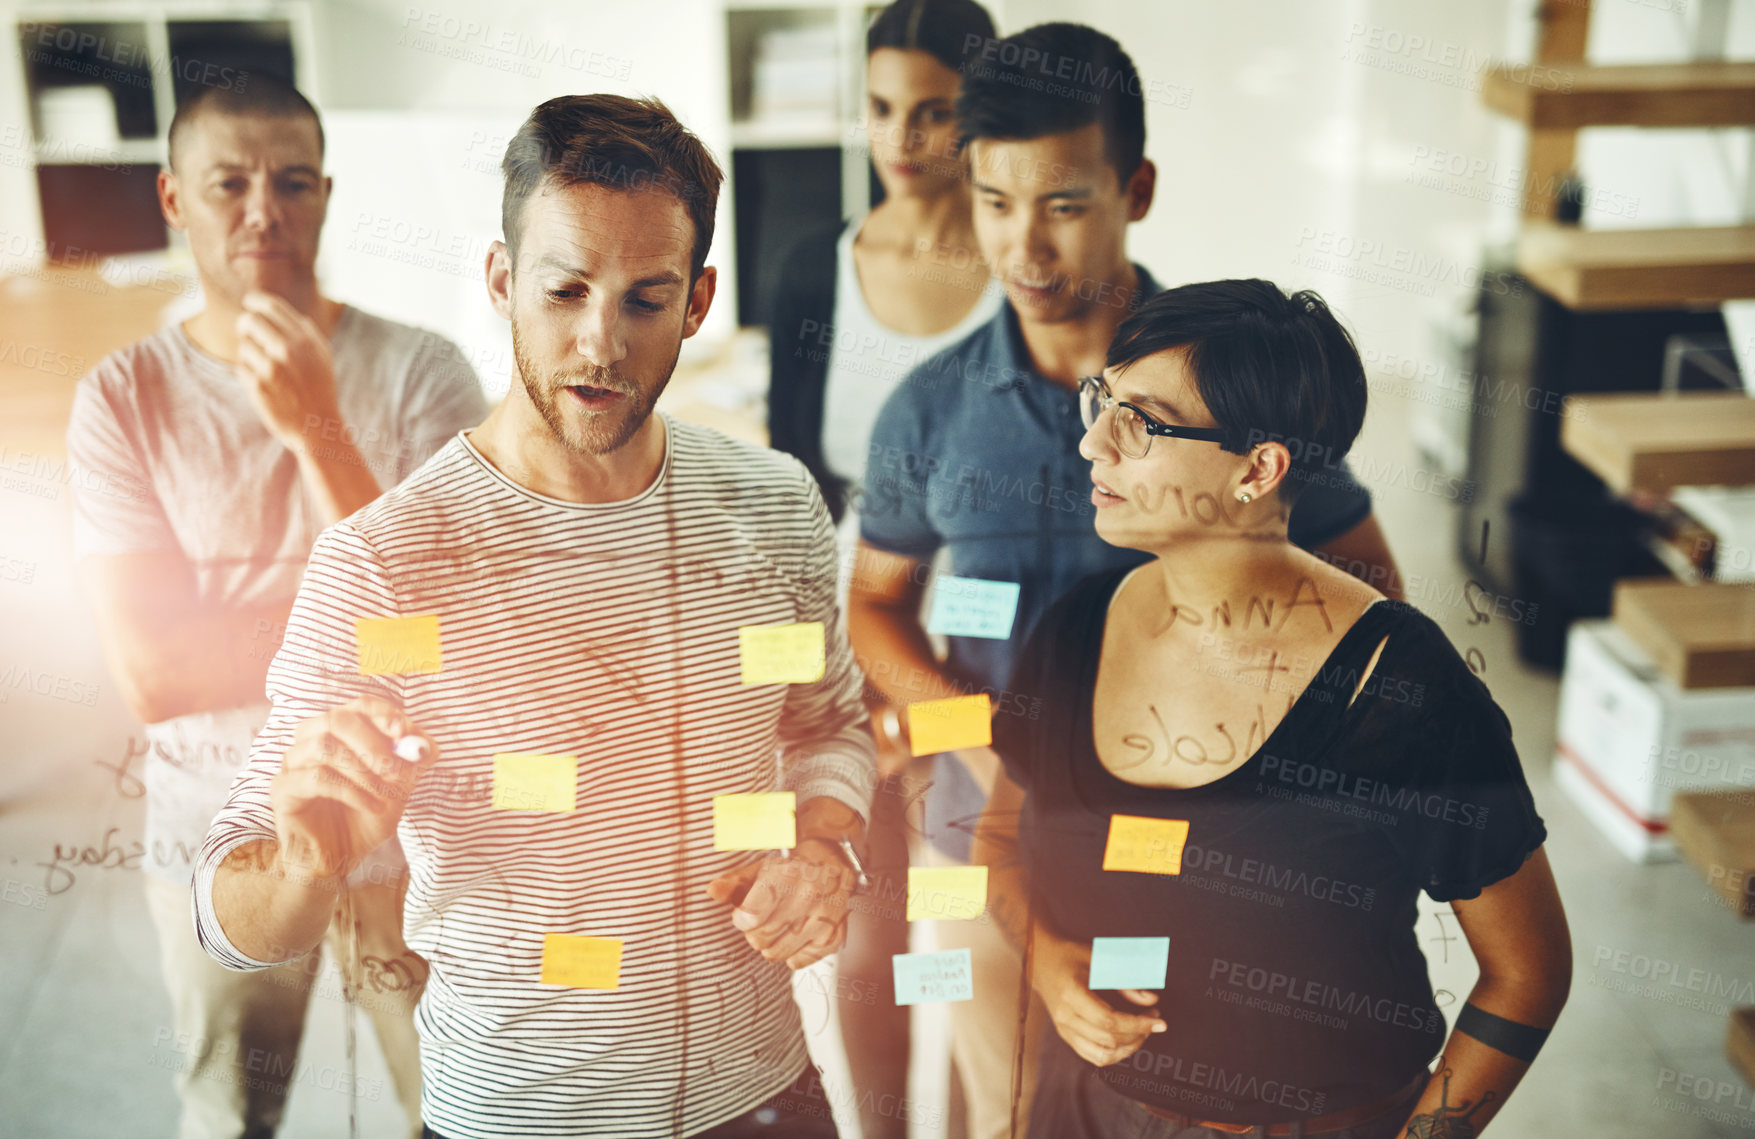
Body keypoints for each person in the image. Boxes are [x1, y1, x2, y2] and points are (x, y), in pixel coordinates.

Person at [189, 94, 878, 1139]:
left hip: (767, 1094)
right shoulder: (385, 562)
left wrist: (829, 843)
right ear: (503, 281)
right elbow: (226, 915)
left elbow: (828, 722)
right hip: (519, 1114)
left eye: (646, 299)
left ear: (698, 301)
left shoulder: (773, 505)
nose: (600, 342)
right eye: (564, 290)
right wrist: (302, 863)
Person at [850, 23, 1404, 1139]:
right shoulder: (928, 409)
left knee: (1175, 1095)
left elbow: (1371, 586)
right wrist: (975, 730)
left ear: (1135, 188)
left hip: (1189, 844)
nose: (1024, 248)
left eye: (1062, 204)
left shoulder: (1240, 378)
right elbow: (873, 604)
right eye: (996, 203)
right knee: (994, 1099)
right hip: (976, 834)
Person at [976, 279, 1571, 1139]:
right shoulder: (1075, 628)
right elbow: (996, 840)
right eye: (1101, 398)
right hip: (1086, 1111)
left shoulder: (1397, 685)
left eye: (1138, 420)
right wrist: (1046, 963)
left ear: (1258, 469)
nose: (1090, 442)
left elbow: (1528, 971)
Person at [68, 77, 487, 1139]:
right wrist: (357, 642)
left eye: (293, 182)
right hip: (218, 834)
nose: (264, 210)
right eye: (230, 183)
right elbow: (154, 672)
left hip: (410, 835)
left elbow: (450, 645)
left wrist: (319, 431)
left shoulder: (423, 371)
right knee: (225, 1111)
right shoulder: (123, 396)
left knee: (456, 1105)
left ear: (327, 195)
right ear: (174, 198)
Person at [765, 2, 998, 1135]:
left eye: (936, 112)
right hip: (857, 629)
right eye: (881, 110)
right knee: (867, 916)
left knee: (955, 923)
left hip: (986, 648)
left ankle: (957, 1120)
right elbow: (791, 489)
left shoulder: (1029, 272)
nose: (902, 139)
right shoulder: (818, 268)